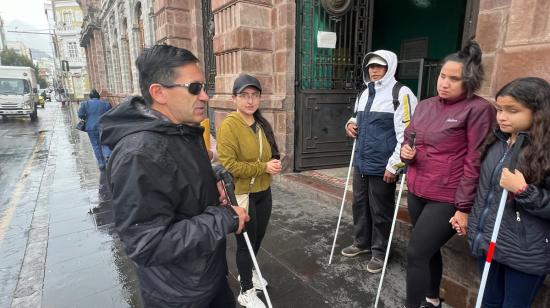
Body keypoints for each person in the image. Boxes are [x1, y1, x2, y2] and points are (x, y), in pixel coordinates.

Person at [99, 44, 249, 308]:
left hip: (207, 277)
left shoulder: (182, 130)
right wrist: (225, 217)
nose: (205, 96)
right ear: (159, 93)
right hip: (179, 295)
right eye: (194, 88)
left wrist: (213, 179)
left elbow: (178, 180)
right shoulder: (139, 154)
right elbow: (148, 243)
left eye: (204, 87)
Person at [400, 41, 496, 308]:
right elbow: (410, 139)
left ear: (470, 81)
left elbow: (475, 159)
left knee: (416, 252)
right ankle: (432, 299)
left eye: (454, 79)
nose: (445, 83)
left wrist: (464, 207)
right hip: (418, 188)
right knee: (428, 250)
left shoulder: (479, 109)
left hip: (447, 197)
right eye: (443, 76)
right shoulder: (426, 105)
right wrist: (406, 153)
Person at [468, 77, 550, 307]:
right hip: (490, 243)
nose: (502, 116)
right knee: (487, 302)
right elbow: (485, 192)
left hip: (525, 255)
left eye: (512, 110)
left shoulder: (546, 150)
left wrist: (524, 191)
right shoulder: (497, 141)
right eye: (499, 109)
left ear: (539, 112)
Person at [341, 50, 417, 274]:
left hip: (383, 165)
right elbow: (356, 117)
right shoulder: (364, 92)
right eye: (371, 67)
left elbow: (407, 134)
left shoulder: (401, 93)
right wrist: (349, 124)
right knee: (359, 204)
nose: (374, 70)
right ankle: (361, 243)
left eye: (379, 67)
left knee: (381, 210)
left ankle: (380, 252)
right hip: (362, 161)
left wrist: (394, 165)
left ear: (390, 67)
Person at [217, 74, 282, 308]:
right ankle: (245, 290)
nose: (250, 101)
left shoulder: (261, 123)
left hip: (264, 191)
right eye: (244, 95)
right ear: (234, 98)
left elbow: (269, 154)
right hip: (243, 194)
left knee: (259, 236)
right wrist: (263, 166)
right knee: (244, 243)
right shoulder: (229, 126)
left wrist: (273, 163)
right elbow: (230, 165)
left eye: (254, 95)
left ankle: (251, 272)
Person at [77, 89, 112, 170]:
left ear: (90, 97)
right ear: (98, 96)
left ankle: (101, 163)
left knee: (96, 145)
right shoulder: (106, 104)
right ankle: (108, 158)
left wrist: (86, 117)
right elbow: (110, 114)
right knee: (105, 143)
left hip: (91, 127)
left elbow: (80, 114)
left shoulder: (85, 104)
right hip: (104, 126)